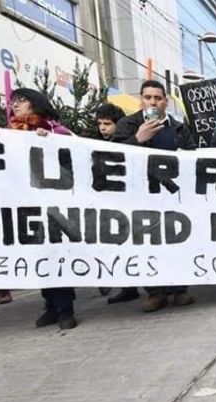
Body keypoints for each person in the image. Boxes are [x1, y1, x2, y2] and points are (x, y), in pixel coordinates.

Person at [0, 89, 77, 329]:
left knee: (56, 254)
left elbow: (75, 154)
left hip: (54, 206)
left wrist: (51, 141)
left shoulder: (56, 130)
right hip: (25, 206)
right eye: (13, 102)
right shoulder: (9, 132)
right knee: (40, 256)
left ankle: (65, 309)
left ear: (36, 104)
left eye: (21, 101)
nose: (16, 105)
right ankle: (50, 306)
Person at [113, 80, 197, 312]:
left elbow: (192, 154)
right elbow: (114, 156)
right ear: (141, 99)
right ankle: (155, 292)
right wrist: (137, 139)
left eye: (157, 98)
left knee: (176, 240)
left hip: (172, 195)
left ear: (165, 102)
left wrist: (185, 156)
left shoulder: (178, 127)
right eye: (148, 97)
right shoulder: (127, 125)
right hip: (142, 195)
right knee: (147, 242)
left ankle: (180, 289)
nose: (152, 101)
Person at [91, 103, 126, 298]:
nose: (103, 128)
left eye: (107, 123)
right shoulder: (93, 145)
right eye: (100, 124)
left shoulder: (127, 142)